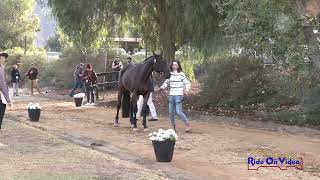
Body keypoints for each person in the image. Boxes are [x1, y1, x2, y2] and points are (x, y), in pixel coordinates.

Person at [160, 61, 191, 132]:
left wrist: (187, 90)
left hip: (179, 95)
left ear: (178, 66)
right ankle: (173, 127)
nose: (174, 66)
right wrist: (162, 87)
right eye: (173, 65)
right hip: (171, 95)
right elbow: (166, 82)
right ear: (171, 66)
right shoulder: (170, 74)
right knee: (171, 112)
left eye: (176, 65)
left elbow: (187, 83)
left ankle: (187, 125)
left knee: (179, 112)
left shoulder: (181, 74)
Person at [0, 52, 12, 130]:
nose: (4, 58)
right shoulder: (0, 69)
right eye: (2, 56)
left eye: (4, 57)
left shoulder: (2, 68)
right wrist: (8, 100)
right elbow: (2, 84)